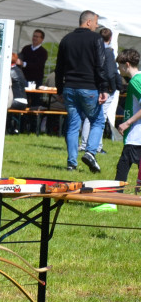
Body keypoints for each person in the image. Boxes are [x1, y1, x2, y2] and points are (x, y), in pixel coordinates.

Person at [55, 10, 113, 172]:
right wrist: (103, 88)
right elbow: (100, 66)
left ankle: (71, 163)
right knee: (98, 121)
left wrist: (60, 88)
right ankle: (90, 152)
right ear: (88, 22)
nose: (96, 26)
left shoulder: (66, 39)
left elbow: (59, 67)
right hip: (89, 87)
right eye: (95, 22)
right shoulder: (96, 39)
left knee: (73, 125)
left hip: (69, 88)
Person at [82, 27, 125, 150]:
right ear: (110, 38)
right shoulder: (108, 52)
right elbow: (111, 72)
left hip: (93, 86)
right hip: (105, 88)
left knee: (90, 116)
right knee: (101, 117)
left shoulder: (92, 51)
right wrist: (115, 86)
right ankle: (97, 146)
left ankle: (85, 143)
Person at [114, 49, 141, 191]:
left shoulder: (136, 81)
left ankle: (113, 201)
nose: (119, 68)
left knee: (122, 168)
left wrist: (127, 123)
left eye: (120, 65)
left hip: (136, 135)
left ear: (127, 64)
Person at [7, 52, 29, 133]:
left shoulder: (9, 71)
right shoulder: (19, 70)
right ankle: (13, 128)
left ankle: (8, 128)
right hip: (24, 101)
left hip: (16, 101)